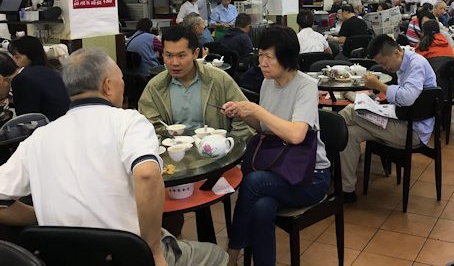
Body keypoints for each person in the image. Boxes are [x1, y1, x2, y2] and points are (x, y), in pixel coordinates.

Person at [0, 48, 228, 266]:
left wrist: (36, 217)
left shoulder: (39, 137)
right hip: (124, 255)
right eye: (120, 78)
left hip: (60, 257)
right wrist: (155, 251)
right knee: (217, 256)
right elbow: (147, 175)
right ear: (108, 85)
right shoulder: (128, 122)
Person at [223, 26, 330, 266]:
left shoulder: (306, 86)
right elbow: (265, 128)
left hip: (311, 176)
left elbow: (296, 135)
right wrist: (244, 114)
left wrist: (257, 109)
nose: (262, 62)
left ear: (287, 57)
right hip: (279, 169)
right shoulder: (268, 83)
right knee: (262, 208)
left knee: (252, 180)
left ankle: (232, 253)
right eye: (260, 55)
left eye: (268, 57)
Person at [338, 35, 437, 202]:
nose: (385, 67)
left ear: (397, 53)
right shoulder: (404, 62)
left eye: (384, 63)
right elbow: (400, 97)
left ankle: (321, 146)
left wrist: (378, 85)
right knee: (350, 133)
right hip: (402, 120)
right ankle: (346, 190)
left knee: (351, 112)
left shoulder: (416, 64)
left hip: (413, 131)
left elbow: (407, 98)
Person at [138, 26, 254, 139]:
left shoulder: (218, 80)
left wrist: (229, 146)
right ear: (162, 54)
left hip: (216, 154)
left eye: (181, 55)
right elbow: (148, 126)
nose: (174, 62)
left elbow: (244, 117)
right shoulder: (155, 86)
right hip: (174, 154)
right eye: (169, 55)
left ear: (195, 53)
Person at [4, 37, 70, 120]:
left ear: (30, 55)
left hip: (44, 126)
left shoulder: (23, 78)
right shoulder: (54, 72)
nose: (14, 60)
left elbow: (25, 117)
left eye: (17, 57)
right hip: (64, 120)